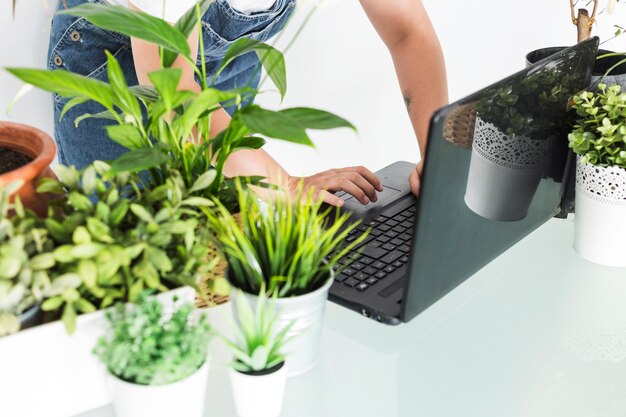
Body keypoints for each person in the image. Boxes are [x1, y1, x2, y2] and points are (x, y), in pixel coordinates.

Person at [47, 0, 448, 206]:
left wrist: (437, 155)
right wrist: (286, 185)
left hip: (223, 62)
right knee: (132, 255)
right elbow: (179, 102)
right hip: (116, 68)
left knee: (216, 241)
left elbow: (407, 31)